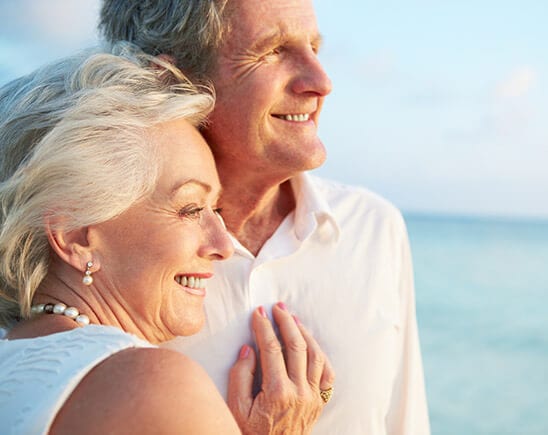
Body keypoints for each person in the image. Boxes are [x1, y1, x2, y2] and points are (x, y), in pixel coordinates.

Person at [99, 0, 430, 433]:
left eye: (314, 47)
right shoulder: (104, 253)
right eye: (273, 50)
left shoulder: (374, 227)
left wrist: (324, 402)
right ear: (171, 82)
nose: (321, 81)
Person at [0, 45, 334, 434]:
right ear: (75, 235)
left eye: (217, 210)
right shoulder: (150, 384)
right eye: (191, 209)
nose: (223, 245)